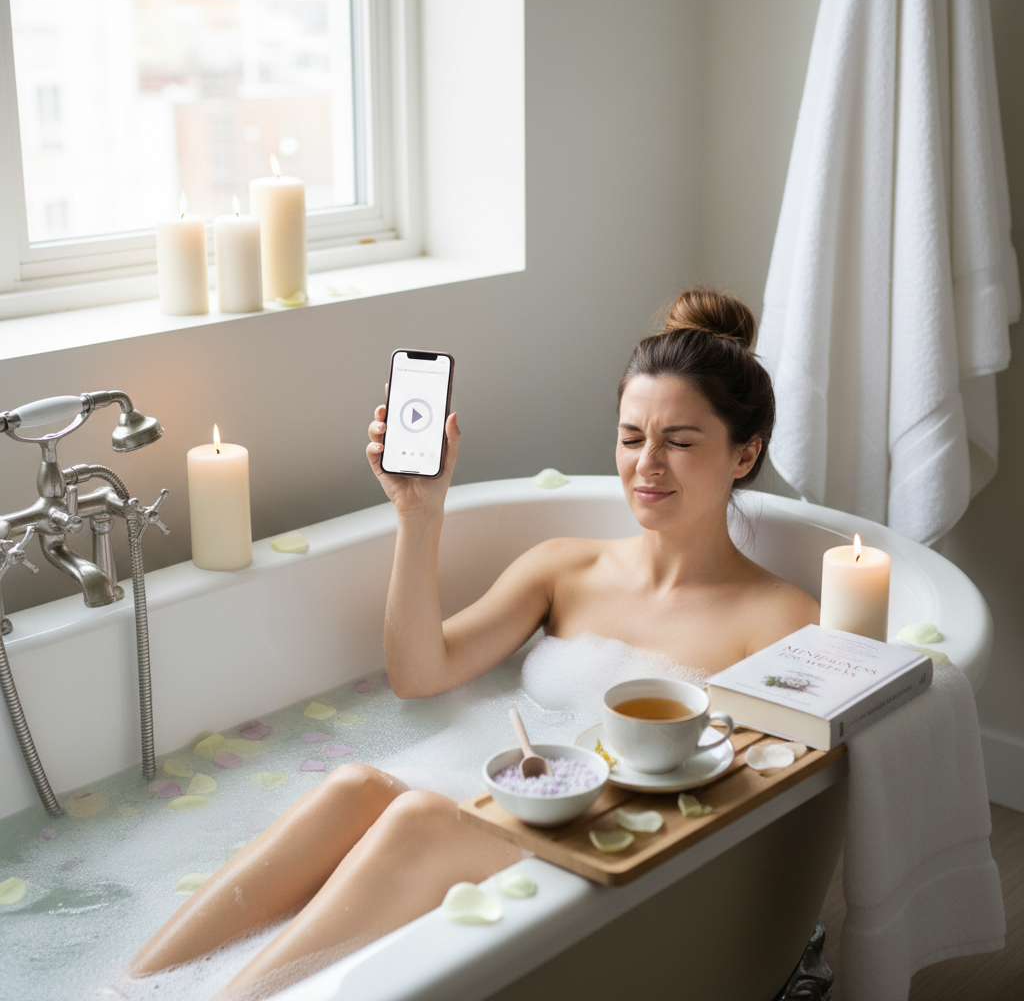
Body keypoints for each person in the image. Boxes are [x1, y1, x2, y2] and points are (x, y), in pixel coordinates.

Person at [128, 287, 818, 999]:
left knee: (422, 819)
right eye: (632, 436)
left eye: (679, 441)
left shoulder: (780, 619)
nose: (647, 464)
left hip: (624, 852)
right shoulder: (565, 567)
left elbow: (756, 798)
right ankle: (126, 990)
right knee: (356, 786)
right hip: (525, 812)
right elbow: (420, 673)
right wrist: (418, 514)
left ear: (745, 454)